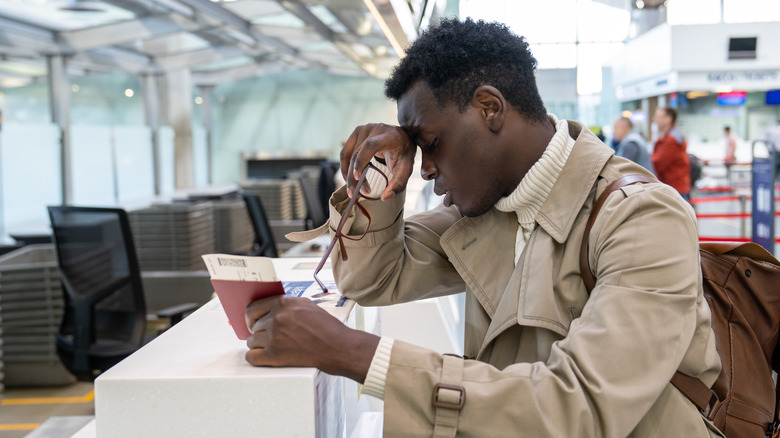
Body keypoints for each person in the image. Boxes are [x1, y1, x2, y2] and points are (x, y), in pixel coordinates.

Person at [244, 19, 722, 437]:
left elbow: (579, 409)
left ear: (489, 108)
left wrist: (355, 354)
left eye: (430, 143)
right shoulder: (495, 207)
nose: (424, 169)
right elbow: (373, 278)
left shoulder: (642, 219)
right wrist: (374, 177)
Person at [651, 107, 691, 200]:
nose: (655, 120)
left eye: (658, 117)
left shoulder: (671, 140)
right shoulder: (672, 137)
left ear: (668, 119)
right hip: (675, 188)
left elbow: (658, 162)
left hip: (674, 189)